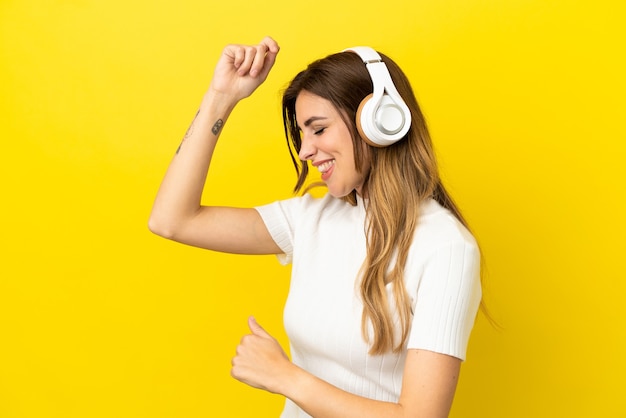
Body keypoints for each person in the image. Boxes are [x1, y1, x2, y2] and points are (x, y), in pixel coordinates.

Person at [149, 36, 482, 418]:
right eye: (303, 134)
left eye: (318, 129)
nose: (305, 150)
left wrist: (285, 377)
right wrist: (220, 98)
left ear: (379, 122)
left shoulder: (446, 247)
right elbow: (172, 220)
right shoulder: (310, 217)